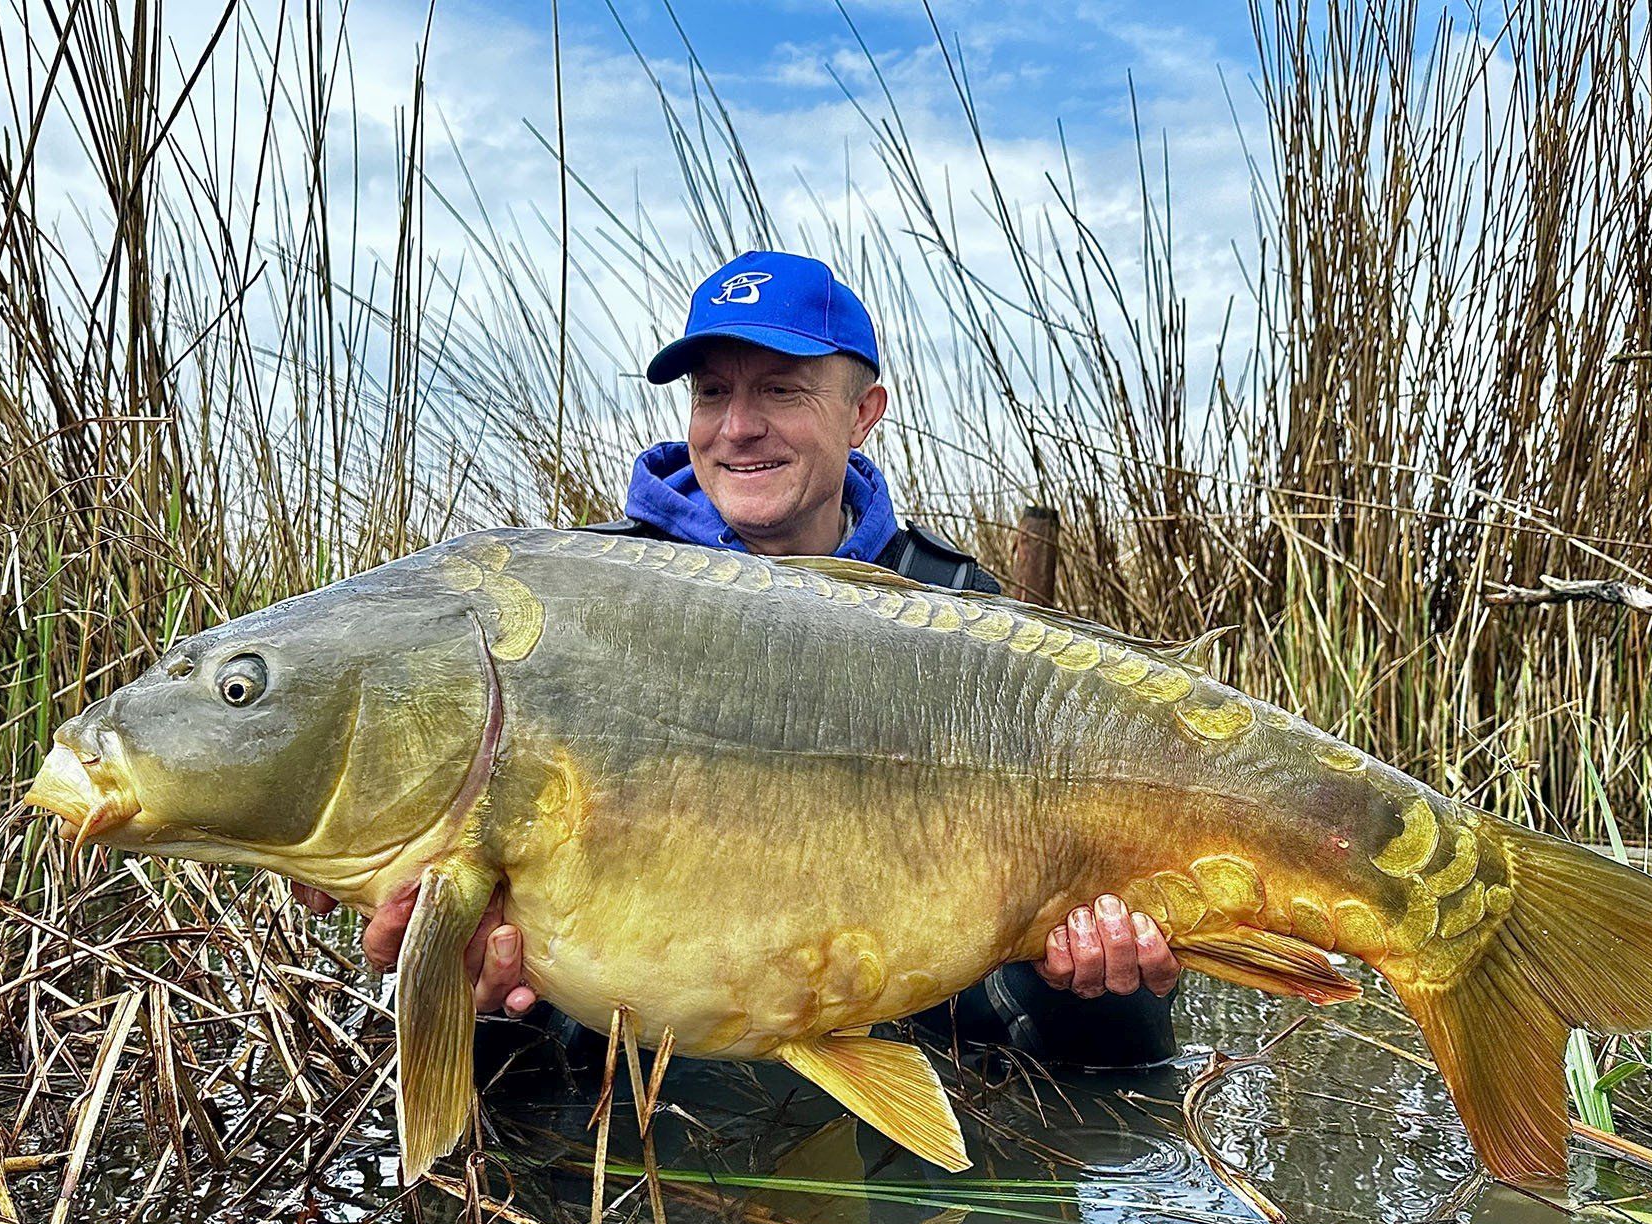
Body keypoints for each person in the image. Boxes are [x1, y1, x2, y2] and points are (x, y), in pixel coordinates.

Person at [293, 249, 1180, 1070]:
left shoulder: (964, 618)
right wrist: (485, 1002)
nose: (738, 428)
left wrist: (1093, 986)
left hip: (904, 1114)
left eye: (783, 391)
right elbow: (519, 1026)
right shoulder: (573, 610)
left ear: (864, 411)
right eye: (712, 393)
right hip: (643, 1138)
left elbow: (1104, 1057)